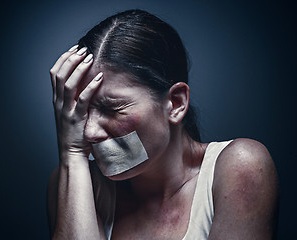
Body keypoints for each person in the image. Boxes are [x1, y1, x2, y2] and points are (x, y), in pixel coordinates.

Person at [47, 9, 278, 240]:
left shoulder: (239, 167)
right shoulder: (74, 183)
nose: (89, 132)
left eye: (111, 108)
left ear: (176, 103)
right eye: (82, 111)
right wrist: (73, 154)